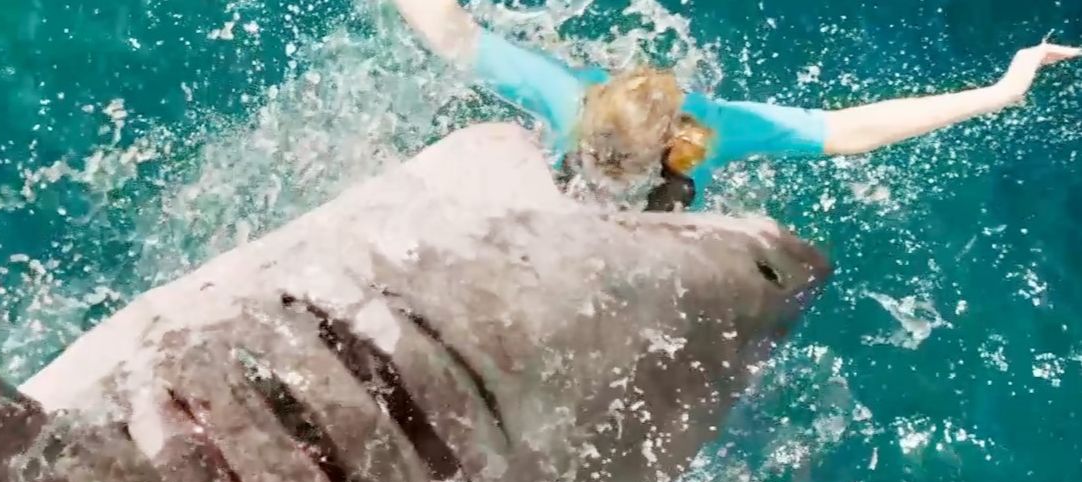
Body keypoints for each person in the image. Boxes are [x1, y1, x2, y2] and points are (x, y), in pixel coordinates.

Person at [392, 0, 1080, 211]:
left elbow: (850, 130)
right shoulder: (575, 100)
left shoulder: (702, 133)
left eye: (618, 159)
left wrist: (1000, 92)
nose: (608, 165)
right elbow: (453, 32)